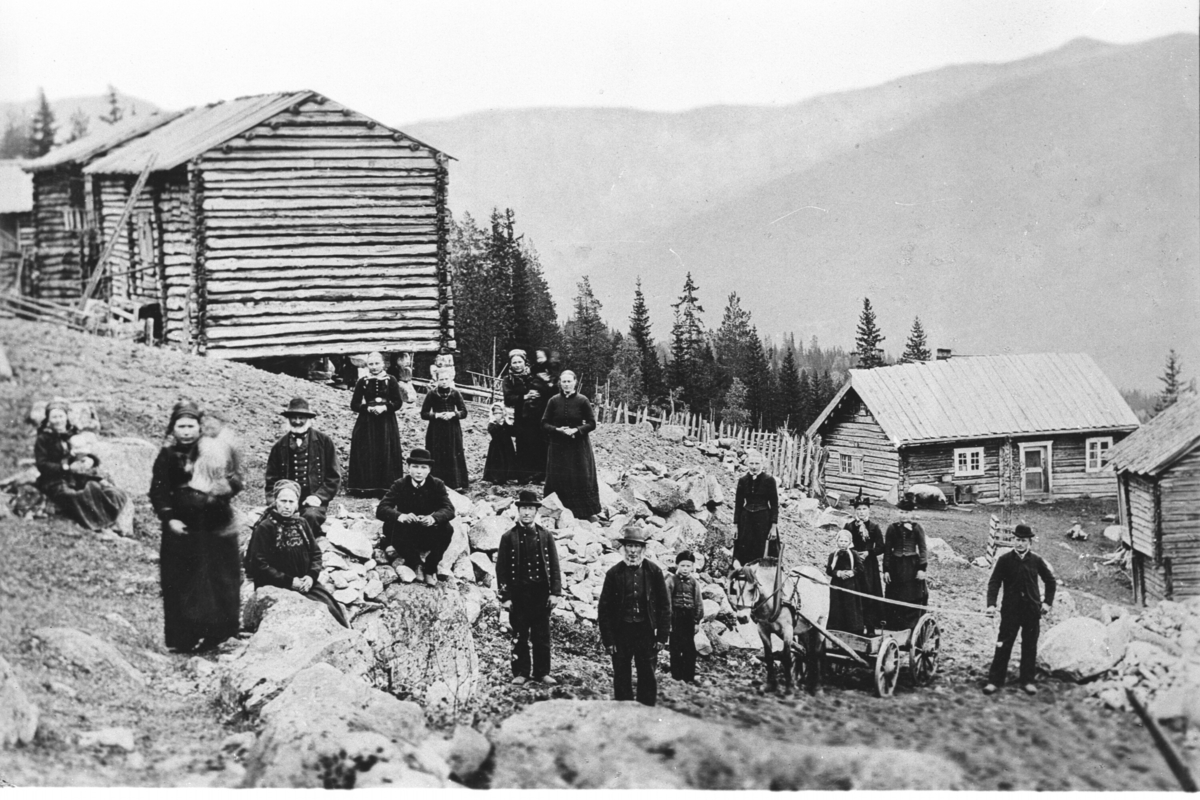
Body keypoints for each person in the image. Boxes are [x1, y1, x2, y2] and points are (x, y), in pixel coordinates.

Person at [149, 403, 243, 652]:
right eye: (182, 426)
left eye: (191, 426)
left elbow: (235, 478)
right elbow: (158, 491)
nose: (187, 431)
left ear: (199, 428)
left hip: (216, 525)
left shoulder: (212, 450)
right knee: (182, 581)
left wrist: (228, 486)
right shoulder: (167, 455)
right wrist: (170, 518)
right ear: (173, 429)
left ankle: (220, 635)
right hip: (183, 529)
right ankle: (184, 639)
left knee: (219, 579)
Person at [245, 479, 349, 628]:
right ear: (275, 501)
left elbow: (315, 554)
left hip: (305, 584)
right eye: (283, 501)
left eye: (291, 502)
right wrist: (290, 581)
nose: (287, 506)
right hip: (276, 585)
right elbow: (259, 565)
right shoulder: (265, 527)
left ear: (297, 503)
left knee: (331, 610)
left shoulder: (302, 523)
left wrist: (311, 577)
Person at [597, 524, 671, 706]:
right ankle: (624, 710)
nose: (633, 551)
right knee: (621, 672)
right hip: (621, 631)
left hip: (646, 631)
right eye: (629, 546)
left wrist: (662, 636)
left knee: (647, 672)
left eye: (637, 546)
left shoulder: (654, 572)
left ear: (643, 549)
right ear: (623, 548)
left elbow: (664, 606)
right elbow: (604, 609)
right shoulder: (613, 573)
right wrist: (608, 640)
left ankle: (646, 711)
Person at [495, 490, 563, 686]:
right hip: (519, 595)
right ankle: (521, 672)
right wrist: (505, 597)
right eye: (524, 508)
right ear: (518, 510)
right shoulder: (508, 537)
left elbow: (555, 566)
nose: (527, 512)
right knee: (519, 634)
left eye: (531, 508)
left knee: (542, 635)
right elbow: (502, 569)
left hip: (541, 594)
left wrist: (555, 592)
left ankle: (542, 672)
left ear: (536, 511)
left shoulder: (545, 535)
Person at [33, 401, 130, 532]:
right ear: (48, 419)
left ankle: (107, 518)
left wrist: (90, 460)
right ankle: (100, 521)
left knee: (111, 492)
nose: (58, 420)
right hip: (54, 480)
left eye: (61, 416)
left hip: (77, 477)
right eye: (54, 417)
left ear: (66, 417)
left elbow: (86, 454)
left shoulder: (73, 434)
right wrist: (66, 468)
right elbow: (42, 464)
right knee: (73, 495)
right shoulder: (43, 439)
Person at [984, 524, 1057, 696]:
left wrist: (1047, 603)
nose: (1019, 544)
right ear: (1013, 541)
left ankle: (1027, 681)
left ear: (1029, 542)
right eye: (1017, 540)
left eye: (1023, 541)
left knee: (1029, 646)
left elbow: (1050, 581)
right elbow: (994, 582)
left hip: (1032, 611)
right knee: (1003, 645)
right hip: (1010, 611)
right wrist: (991, 604)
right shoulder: (1005, 560)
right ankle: (995, 681)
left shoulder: (1036, 560)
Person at [376, 448, 456, 587]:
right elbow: (382, 509)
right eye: (415, 467)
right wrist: (401, 516)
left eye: (423, 467)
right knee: (389, 525)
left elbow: (449, 509)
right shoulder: (400, 484)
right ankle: (415, 563)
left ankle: (430, 568)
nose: (419, 471)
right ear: (408, 468)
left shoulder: (437, 484)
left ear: (429, 469)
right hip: (407, 534)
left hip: (428, 532)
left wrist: (433, 518)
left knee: (447, 529)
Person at [265, 397, 342, 533]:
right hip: (286, 500)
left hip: (313, 500)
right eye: (293, 418)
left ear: (309, 419)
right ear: (288, 419)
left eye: (302, 418)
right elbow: (271, 480)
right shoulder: (279, 446)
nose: (297, 421)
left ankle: (301, 549)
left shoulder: (324, 442)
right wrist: (275, 502)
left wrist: (319, 497)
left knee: (310, 517)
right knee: (269, 522)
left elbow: (333, 477)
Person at [542, 370, 602, 520]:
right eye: (564, 382)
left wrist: (577, 430)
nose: (566, 384)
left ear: (575, 382)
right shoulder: (553, 401)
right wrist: (557, 430)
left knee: (579, 475)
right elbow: (544, 423)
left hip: (578, 446)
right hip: (558, 446)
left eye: (569, 381)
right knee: (559, 475)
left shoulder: (583, 400)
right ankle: (556, 510)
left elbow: (592, 423)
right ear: (560, 383)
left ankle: (583, 512)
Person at [347, 352, 406, 496]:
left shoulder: (390, 380)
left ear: (383, 364)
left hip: (386, 422)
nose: (374, 367)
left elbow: (398, 402)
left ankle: (386, 487)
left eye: (377, 364)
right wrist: (367, 408)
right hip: (366, 422)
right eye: (371, 364)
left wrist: (385, 407)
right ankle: (365, 487)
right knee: (367, 450)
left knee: (385, 450)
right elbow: (354, 404)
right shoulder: (363, 381)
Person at [502, 349, 554, 483]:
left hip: (537, 415)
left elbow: (546, 391)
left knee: (540, 444)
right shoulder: (508, 380)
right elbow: (508, 399)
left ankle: (540, 476)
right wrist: (524, 397)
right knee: (523, 444)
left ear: (525, 363)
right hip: (521, 417)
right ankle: (524, 476)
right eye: (514, 362)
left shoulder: (533, 376)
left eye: (520, 362)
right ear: (510, 364)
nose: (517, 365)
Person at [882, 498, 928, 630]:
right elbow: (887, 550)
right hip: (895, 566)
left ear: (911, 514)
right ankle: (895, 626)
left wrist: (921, 568)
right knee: (895, 595)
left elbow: (923, 549)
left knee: (911, 595)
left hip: (911, 566)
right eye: (901, 512)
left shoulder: (917, 528)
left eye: (906, 513)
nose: (903, 515)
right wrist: (886, 570)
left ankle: (910, 626)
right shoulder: (892, 528)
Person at [421, 370, 470, 490]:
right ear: (437, 380)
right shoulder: (432, 394)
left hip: (452, 429)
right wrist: (436, 415)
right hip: (436, 430)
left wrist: (453, 414)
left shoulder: (455, 393)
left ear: (451, 379)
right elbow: (424, 413)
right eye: (441, 379)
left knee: (453, 453)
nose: (444, 382)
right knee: (437, 454)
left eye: (446, 379)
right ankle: (436, 484)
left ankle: (455, 483)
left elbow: (464, 412)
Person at [843, 493, 885, 633]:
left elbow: (880, 547)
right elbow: (844, 543)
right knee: (855, 594)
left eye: (864, 509)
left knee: (869, 593)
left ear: (869, 510)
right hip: (853, 564)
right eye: (859, 509)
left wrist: (869, 553)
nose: (861, 512)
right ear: (855, 511)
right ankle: (856, 626)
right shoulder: (849, 526)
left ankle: (871, 626)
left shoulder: (874, 527)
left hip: (869, 566)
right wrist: (854, 554)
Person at [732, 450, 779, 568]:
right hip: (746, 519)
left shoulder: (769, 480)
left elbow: (774, 505)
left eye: (757, 463)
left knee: (761, 549)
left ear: (762, 464)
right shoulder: (743, 480)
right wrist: (735, 525)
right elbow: (738, 504)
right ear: (747, 464)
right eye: (751, 463)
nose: (754, 467)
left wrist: (773, 527)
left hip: (763, 519)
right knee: (743, 548)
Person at [664, 551, 704, 683]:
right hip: (675, 616)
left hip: (689, 617)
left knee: (689, 648)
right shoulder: (671, 580)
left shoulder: (694, 583)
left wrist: (697, 621)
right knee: (675, 647)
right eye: (682, 566)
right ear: (677, 566)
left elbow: (698, 601)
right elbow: (667, 602)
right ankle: (676, 676)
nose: (685, 569)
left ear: (693, 567)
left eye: (688, 566)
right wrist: (668, 621)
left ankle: (688, 676)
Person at [826, 529, 865, 634]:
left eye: (845, 541)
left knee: (850, 606)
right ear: (837, 541)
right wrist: (838, 573)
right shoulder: (833, 555)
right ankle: (836, 628)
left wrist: (852, 572)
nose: (843, 544)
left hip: (850, 584)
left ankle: (853, 629)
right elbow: (829, 570)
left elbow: (860, 568)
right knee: (836, 606)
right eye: (841, 541)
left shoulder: (854, 554)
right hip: (836, 584)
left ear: (850, 542)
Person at [483, 402, 518, 484]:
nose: (498, 414)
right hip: (496, 446)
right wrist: (498, 424)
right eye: (496, 413)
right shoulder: (492, 423)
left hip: (507, 445)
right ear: (493, 413)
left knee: (508, 460)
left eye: (500, 412)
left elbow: (512, 432)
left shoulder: (507, 422)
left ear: (503, 413)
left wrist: (510, 424)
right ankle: (496, 477)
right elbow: (492, 431)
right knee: (497, 462)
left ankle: (509, 477)